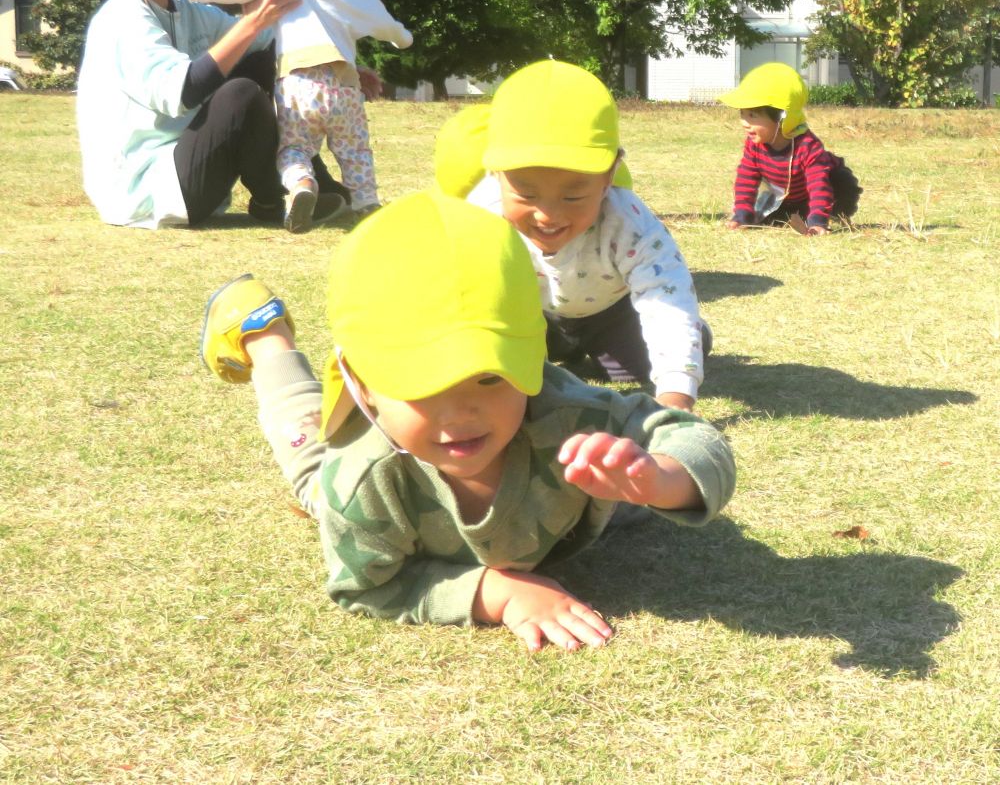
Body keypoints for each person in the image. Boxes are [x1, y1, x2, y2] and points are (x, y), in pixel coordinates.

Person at [200, 191, 735, 652]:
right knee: (309, 460)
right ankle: (262, 334)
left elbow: (691, 435)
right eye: (420, 387)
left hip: (550, 513)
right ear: (362, 386)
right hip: (363, 473)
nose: (459, 416)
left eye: (490, 377)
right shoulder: (364, 479)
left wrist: (661, 478)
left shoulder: (570, 413)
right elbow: (368, 587)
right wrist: (496, 593)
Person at [435, 60, 709, 413]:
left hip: (610, 313)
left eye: (573, 196)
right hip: (528, 315)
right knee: (514, 374)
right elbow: (453, 294)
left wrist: (675, 395)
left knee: (642, 366)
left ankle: (687, 339)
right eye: (527, 195)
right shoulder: (482, 215)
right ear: (495, 173)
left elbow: (666, 301)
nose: (548, 215)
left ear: (609, 176)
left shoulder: (630, 223)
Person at [76, 0, 349, 230]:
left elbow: (270, 48)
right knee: (241, 95)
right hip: (146, 190)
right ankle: (273, 198)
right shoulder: (123, 15)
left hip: (194, 171)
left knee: (268, 63)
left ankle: (310, 183)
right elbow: (185, 90)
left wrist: (334, 66)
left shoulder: (190, 10)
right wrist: (253, 22)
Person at [164, 0, 412, 232]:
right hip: (344, 87)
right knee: (355, 151)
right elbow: (385, 23)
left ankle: (301, 184)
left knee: (294, 149)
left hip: (298, 86)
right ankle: (367, 203)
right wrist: (402, 38)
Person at [718, 63, 863, 235]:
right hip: (785, 196)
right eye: (742, 115)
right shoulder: (755, 144)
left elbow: (819, 186)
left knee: (842, 180)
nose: (744, 123)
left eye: (752, 116)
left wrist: (818, 222)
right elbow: (746, 179)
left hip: (825, 191)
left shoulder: (807, 146)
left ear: (781, 117)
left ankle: (834, 216)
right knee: (770, 221)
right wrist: (742, 215)